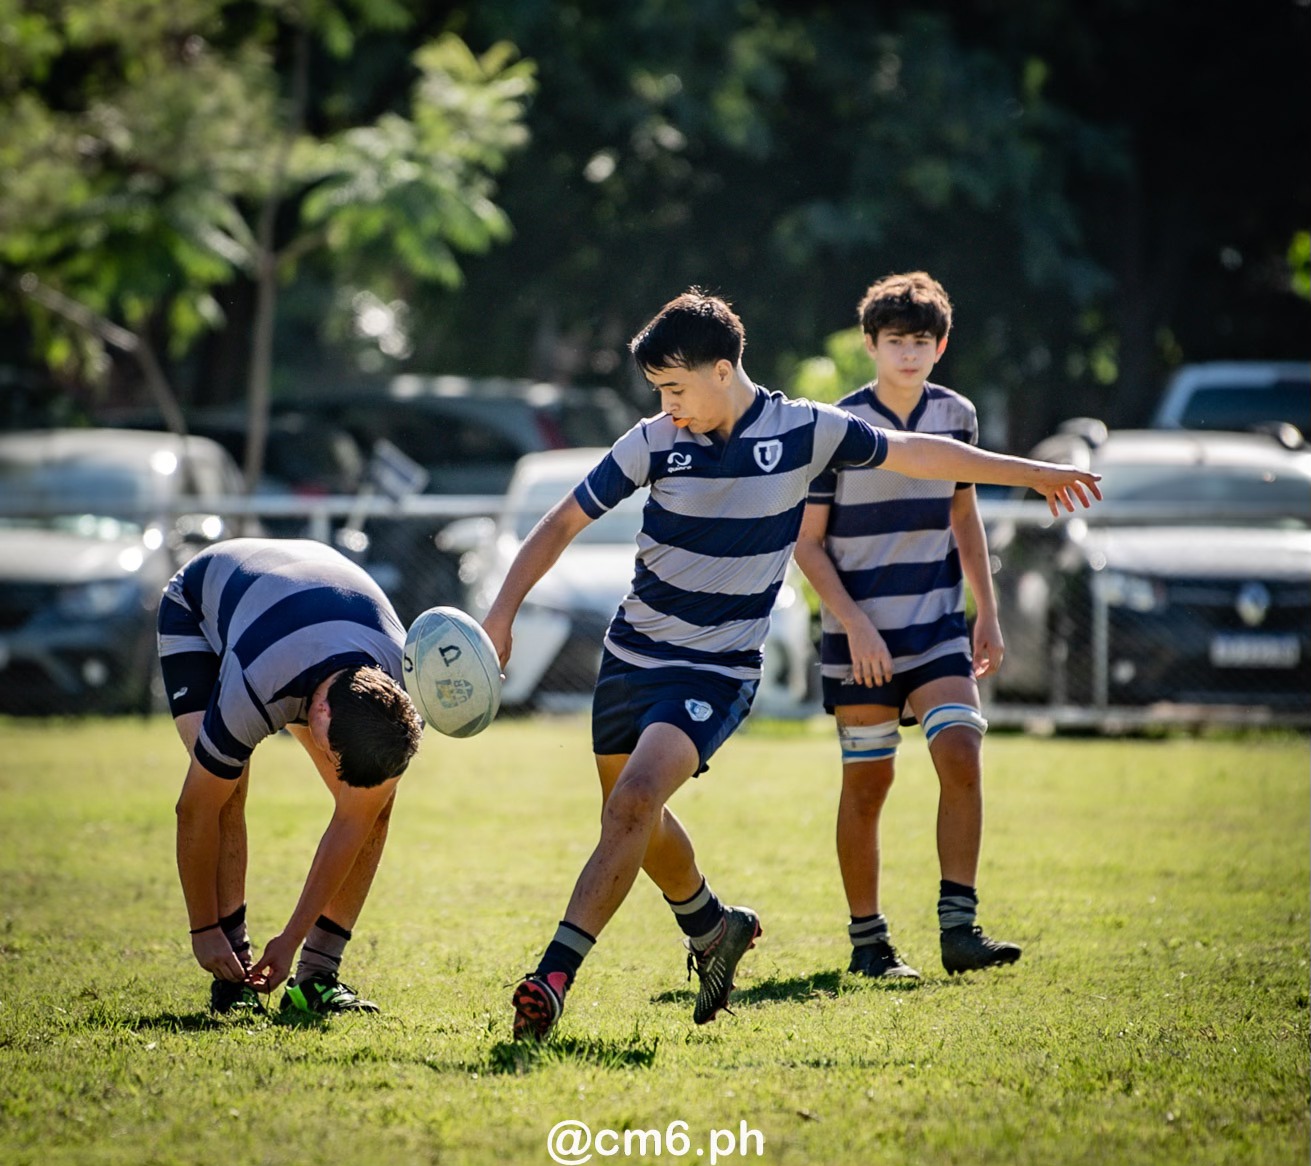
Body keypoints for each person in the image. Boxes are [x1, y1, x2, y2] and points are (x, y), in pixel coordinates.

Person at [481, 289, 1100, 1040]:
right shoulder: (652, 440)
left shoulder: (804, 430)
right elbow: (562, 522)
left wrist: (1029, 474)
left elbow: (918, 455)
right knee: (630, 818)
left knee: (635, 802)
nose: (668, 406)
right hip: (631, 656)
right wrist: (503, 611)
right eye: (658, 394)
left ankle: (551, 978)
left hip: (714, 670)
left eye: (675, 390)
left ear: (720, 370)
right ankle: (711, 928)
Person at [793, 270, 1023, 982]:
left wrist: (985, 610)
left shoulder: (957, 416)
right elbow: (806, 544)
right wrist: (855, 625)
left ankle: (959, 929)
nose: (908, 354)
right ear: (869, 344)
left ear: (940, 345)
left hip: (934, 625)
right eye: (895, 341)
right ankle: (869, 944)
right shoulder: (837, 427)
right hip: (858, 637)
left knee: (960, 752)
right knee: (868, 785)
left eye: (920, 342)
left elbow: (963, 514)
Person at [158, 537, 424, 1017]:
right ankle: (233, 974)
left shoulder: (401, 698)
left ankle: (318, 977)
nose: (338, 775)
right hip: (201, 605)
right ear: (316, 712)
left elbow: (352, 820)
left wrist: (292, 939)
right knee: (226, 789)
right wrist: (203, 931)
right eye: (334, 757)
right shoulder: (258, 683)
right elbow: (193, 810)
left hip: (308, 611)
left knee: (375, 807)